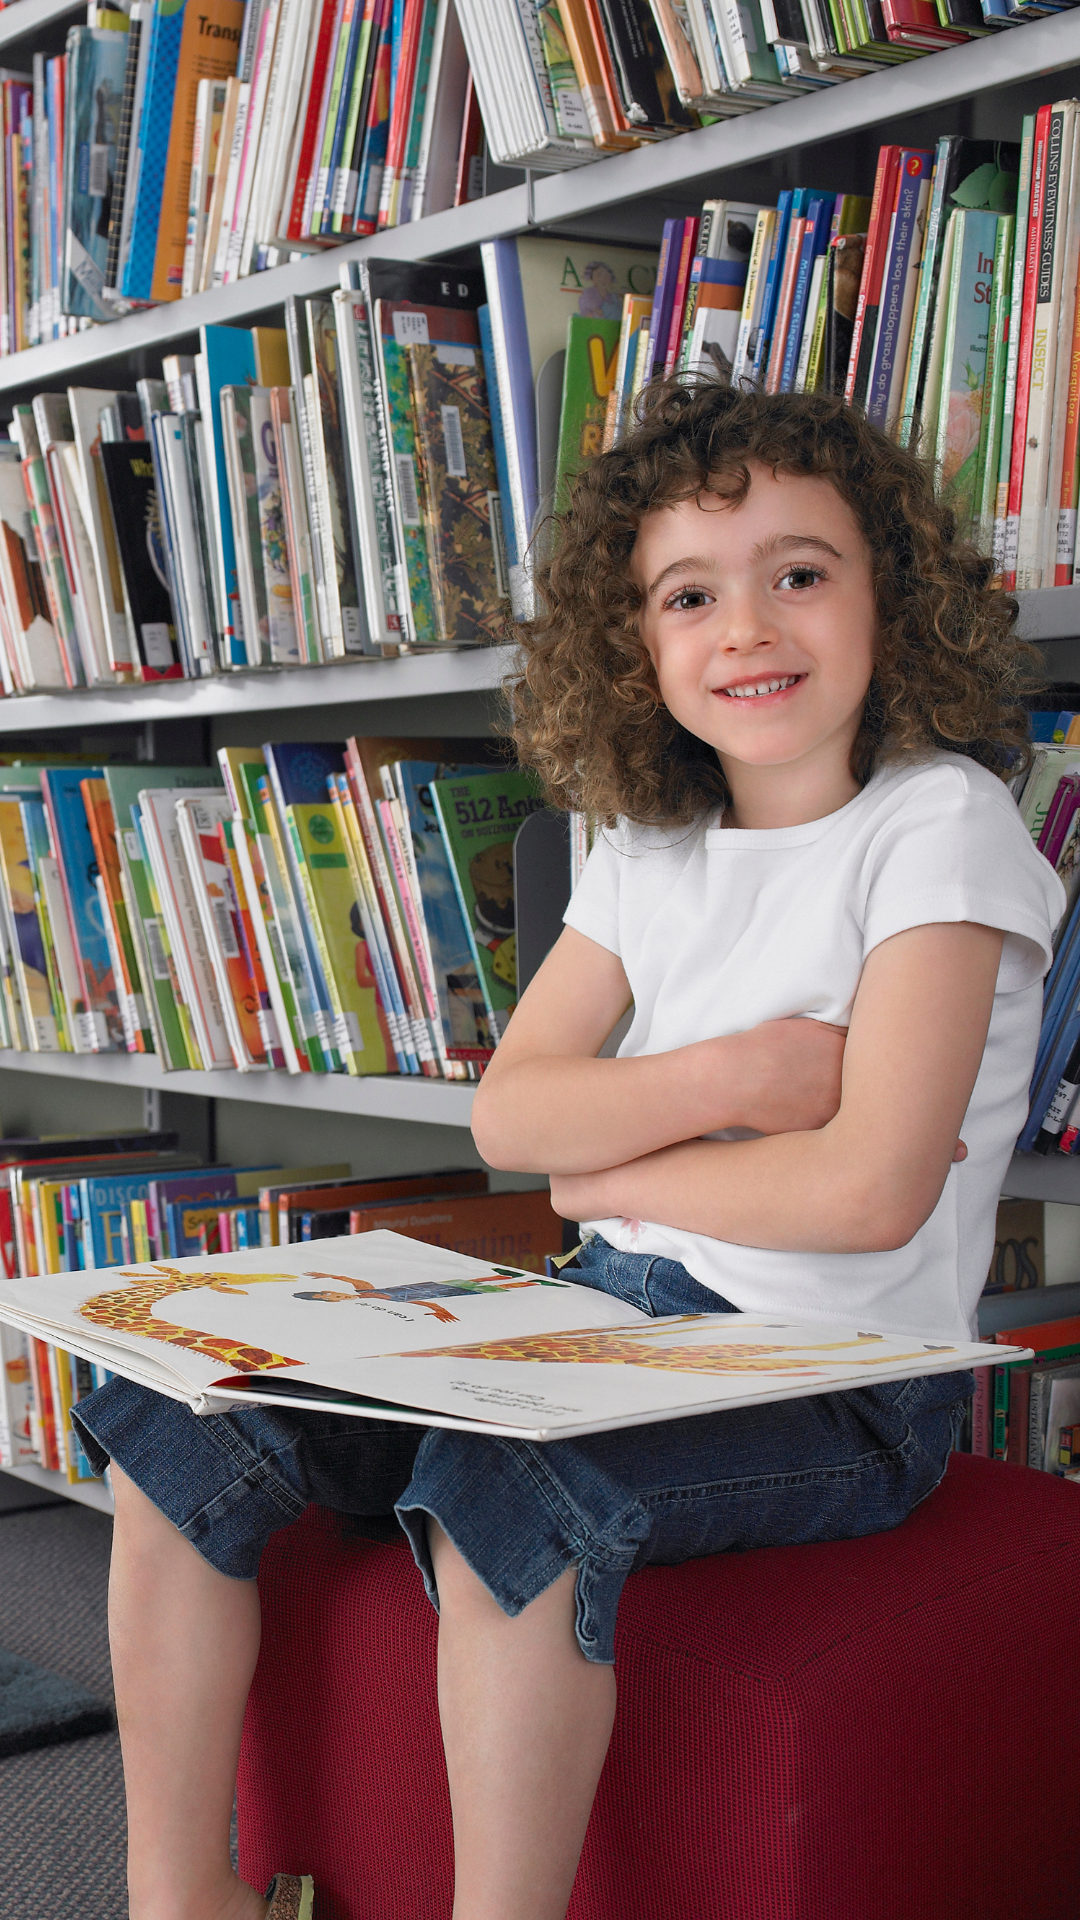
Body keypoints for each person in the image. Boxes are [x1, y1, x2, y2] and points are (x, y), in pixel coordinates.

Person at [72, 384, 1062, 1920]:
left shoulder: (938, 828)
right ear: (637, 645)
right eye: (690, 594)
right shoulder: (640, 843)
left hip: (846, 1377)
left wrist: (614, 1169)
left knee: (504, 1482)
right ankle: (173, 1896)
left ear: (894, 594)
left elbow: (864, 1196)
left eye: (800, 572)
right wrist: (737, 1078)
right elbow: (511, 1118)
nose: (748, 626)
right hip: (606, 1315)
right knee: (181, 1403)